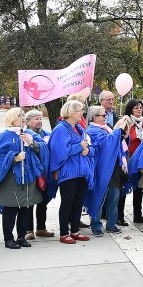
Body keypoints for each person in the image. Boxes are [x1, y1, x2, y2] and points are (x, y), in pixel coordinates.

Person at [0, 108, 45, 249]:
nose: (23, 118)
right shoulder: (4, 136)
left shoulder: (28, 133)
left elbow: (43, 149)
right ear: (11, 118)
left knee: (25, 208)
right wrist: (14, 158)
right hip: (11, 178)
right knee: (11, 209)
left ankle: (21, 237)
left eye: (23, 115)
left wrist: (31, 143)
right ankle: (8, 239)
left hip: (28, 177)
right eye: (19, 115)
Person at [48, 100, 94, 243]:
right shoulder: (61, 129)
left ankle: (75, 230)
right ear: (70, 112)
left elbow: (87, 145)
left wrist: (87, 149)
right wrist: (80, 147)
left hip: (81, 171)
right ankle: (63, 233)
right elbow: (59, 151)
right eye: (79, 110)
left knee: (78, 202)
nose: (82, 113)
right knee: (67, 203)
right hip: (69, 172)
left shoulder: (79, 128)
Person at [84, 106, 129, 236]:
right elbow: (106, 143)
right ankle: (96, 225)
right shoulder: (92, 130)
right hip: (102, 169)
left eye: (105, 115)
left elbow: (118, 142)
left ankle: (111, 224)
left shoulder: (107, 128)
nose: (105, 117)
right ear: (94, 118)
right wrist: (118, 129)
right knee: (100, 197)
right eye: (103, 115)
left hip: (114, 168)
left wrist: (123, 133)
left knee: (114, 197)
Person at [24, 109, 55, 239]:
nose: (39, 121)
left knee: (43, 201)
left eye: (41, 119)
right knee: (29, 202)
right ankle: (28, 230)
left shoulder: (47, 134)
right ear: (28, 121)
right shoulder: (24, 134)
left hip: (45, 172)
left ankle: (41, 228)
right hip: (31, 172)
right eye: (36, 119)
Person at [117, 99, 143, 224]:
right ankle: (119, 216)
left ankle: (138, 215)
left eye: (140, 107)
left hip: (141, 160)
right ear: (130, 109)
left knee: (139, 188)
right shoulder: (125, 121)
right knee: (124, 189)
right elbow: (119, 139)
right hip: (128, 160)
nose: (139, 109)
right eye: (136, 108)